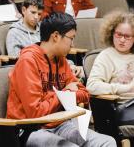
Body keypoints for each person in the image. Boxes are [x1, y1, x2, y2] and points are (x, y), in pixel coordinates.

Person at [7, 12, 116, 147]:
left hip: (61, 124)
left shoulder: (61, 60)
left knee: (107, 142)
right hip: (31, 128)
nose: (73, 44)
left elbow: (84, 93)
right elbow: (36, 113)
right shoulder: (28, 61)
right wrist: (63, 94)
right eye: (71, 38)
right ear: (56, 36)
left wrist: (59, 96)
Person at [87, 11, 134, 114]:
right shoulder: (106, 56)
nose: (122, 40)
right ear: (112, 33)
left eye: (127, 36)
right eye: (119, 34)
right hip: (121, 108)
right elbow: (92, 86)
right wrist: (125, 88)